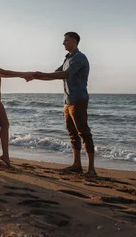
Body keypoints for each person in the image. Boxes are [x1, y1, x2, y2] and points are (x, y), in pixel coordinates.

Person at [32, 32, 97, 177]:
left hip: (78, 100)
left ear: (74, 41)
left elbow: (65, 74)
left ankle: (91, 169)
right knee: (72, 133)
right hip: (67, 101)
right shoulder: (68, 58)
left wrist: (40, 73)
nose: (63, 43)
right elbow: (55, 74)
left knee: (84, 132)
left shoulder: (79, 58)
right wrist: (36, 77)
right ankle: (76, 164)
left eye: (66, 40)